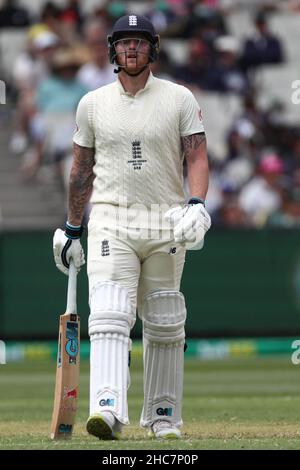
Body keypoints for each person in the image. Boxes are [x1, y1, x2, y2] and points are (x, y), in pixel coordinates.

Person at [53, 14, 211, 440]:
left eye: (139, 42)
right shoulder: (93, 103)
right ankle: (107, 408)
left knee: (164, 319)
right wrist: (71, 228)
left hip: (166, 220)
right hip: (111, 218)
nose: (132, 49)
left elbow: (196, 155)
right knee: (108, 312)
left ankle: (164, 417)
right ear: (113, 49)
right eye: (125, 43)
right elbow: (80, 169)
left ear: (152, 48)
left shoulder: (178, 98)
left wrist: (196, 204)